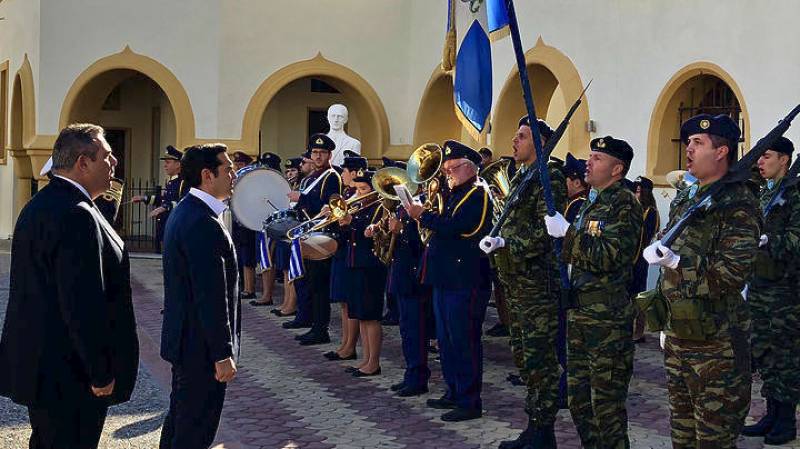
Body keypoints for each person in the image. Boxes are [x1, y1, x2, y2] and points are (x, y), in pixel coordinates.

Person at [0, 123, 139, 449]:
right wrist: (100, 371)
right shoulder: (76, 214)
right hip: (70, 375)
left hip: (46, 370)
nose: (114, 163)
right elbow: (81, 303)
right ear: (83, 162)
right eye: (107, 156)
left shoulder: (42, 204)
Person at [642, 114, 759, 449]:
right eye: (688, 142)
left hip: (717, 344)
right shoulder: (689, 196)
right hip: (680, 334)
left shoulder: (738, 203)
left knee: (714, 439)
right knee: (683, 436)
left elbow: (731, 274)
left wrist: (678, 263)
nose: (688, 149)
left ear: (721, 152)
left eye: (698, 143)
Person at [545, 135, 642, 449]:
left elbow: (610, 255)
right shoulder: (593, 200)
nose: (589, 162)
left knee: (606, 405)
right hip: (581, 314)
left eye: (597, 158)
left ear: (617, 169)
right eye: (591, 156)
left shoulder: (624, 202)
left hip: (606, 319)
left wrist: (569, 235)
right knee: (579, 401)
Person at [481, 115, 567, 448]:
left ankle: (544, 431)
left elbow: (547, 234)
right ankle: (534, 425)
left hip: (537, 285)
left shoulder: (550, 179)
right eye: (516, 135)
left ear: (541, 143)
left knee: (540, 360)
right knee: (523, 357)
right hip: (516, 282)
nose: (514, 141)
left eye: (522, 136)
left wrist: (508, 244)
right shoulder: (521, 177)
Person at [159, 143, 240, 449]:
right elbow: (210, 296)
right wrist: (222, 354)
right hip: (200, 349)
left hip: (188, 343)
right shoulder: (202, 222)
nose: (233, 175)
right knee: (194, 432)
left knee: (181, 424)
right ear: (208, 175)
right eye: (227, 168)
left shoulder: (187, 210)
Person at [407, 140, 492, 422]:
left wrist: (425, 216)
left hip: (466, 279)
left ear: (470, 167)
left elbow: (462, 228)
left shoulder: (478, 194)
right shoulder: (453, 193)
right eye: (446, 170)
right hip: (445, 277)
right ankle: (454, 390)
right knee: (445, 338)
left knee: (464, 339)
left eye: (452, 168)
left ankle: (469, 400)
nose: (447, 174)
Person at [742, 136, 800, 444]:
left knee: (785, 357)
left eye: (767, 157)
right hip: (761, 288)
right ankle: (770, 413)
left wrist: (769, 241)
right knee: (764, 354)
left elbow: (796, 240)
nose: (760, 162)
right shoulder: (765, 193)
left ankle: (786, 421)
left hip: (785, 292)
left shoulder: (795, 195)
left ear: (784, 160)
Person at [288, 134, 343, 345]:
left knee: (319, 285)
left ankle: (321, 329)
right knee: (311, 282)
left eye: (322, 153)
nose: (318, 156)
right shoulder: (312, 177)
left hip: (323, 236)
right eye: (315, 153)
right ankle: (313, 323)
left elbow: (327, 205)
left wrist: (301, 199)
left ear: (329, 154)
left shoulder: (330, 176)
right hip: (309, 234)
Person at [344, 170, 387, 376]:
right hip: (355, 263)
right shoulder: (359, 207)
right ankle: (365, 358)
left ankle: (374, 362)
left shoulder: (379, 207)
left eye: (363, 189)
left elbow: (368, 233)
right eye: (357, 189)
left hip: (371, 266)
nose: (359, 193)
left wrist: (350, 220)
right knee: (360, 315)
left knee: (370, 315)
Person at [323, 156, 365, 362]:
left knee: (350, 301)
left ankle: (350, 346)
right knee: (343, 302)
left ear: (355, 173)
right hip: (342, 252)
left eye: (345, 171)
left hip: (352, 252)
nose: (342, 175)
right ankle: (345, 343)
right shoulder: (348, 194)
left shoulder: (360, 196)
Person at [132, 145, 185, 252]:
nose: (165, 166)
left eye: (168, 162)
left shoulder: (183, 182)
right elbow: (164, 199)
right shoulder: (172, 182)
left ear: (178, 164)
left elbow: (183, 201)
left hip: (176, 225)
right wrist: (144, 198)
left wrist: (164, 207)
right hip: (168, 224)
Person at [631, 176, 659, 343]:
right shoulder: (633, 208)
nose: (637, 194)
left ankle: (639, 331)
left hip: (639, 260)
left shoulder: (651, 212)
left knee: (638, 295)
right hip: (629, 260)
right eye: (636, 190)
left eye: (640, 191)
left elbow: (643, 237)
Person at [230, 151, 259, 300]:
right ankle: (243, 285)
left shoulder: (249, 177)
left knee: (248, 255)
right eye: (236, 164)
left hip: (247, 221)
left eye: (240, 164)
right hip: (238, 220)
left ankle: (249, 288)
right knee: (239, 253)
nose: (237, 167)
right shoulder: (238, 176)